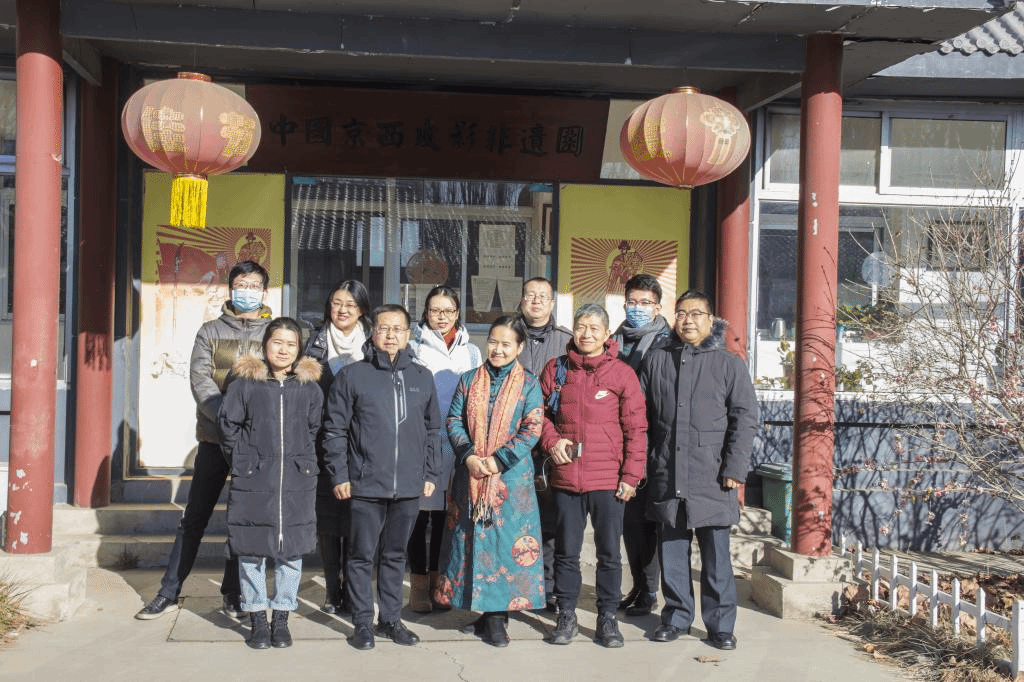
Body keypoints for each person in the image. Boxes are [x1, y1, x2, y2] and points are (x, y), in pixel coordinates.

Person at [135, 260, 272, 621]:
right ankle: (168, 591)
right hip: (213, 438)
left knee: (241, 519)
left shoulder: (274, 332)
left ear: (264, 291)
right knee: (194, 518)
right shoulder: (210, 331)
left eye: (254, 285)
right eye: (241, 284)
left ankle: (233, 592)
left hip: (254, 444)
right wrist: (227, 418)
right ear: (231, 289)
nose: (247, 291)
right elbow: (200, 380)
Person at [638, 290, 758, 651]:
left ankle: (720, 625)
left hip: (713, 474)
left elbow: (745, 419)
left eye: (696, 313)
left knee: (716, 554)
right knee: (672, 551)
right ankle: (676, 617)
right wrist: (643, 464)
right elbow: (640, 418)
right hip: (667, 470)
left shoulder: (729, 364)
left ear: (711, 320)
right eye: (681, 313)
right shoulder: (656, 360)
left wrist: (735, 467)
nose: (688, 320)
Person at [322, 304, 442, 651]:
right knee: (361, 556)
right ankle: (362, 621)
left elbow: (432, 429)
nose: (390, 335)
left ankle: (390, 619)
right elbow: (335, 429)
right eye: (384, 328)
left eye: (398, 329)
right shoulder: (353, 375)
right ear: (372, 332)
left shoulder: (422, 377)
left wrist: (430, 471)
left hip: (408, 485)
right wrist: (339, 474)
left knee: (395, 555)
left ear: (408, 335)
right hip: (365, 484)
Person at [539, 304, 647, 648]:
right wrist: (551, 441)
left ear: (606, 334)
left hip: (608, 479)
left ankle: (607, 618)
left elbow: (636, 429)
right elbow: (537, 415)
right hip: (566, 476)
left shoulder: (622, 374)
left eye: (594, 328)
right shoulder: (556, 369)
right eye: (581, 327)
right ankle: (566, 615)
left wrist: (631, 476)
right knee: (566, 553)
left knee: (609, 554)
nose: (586, 334)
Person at [434, 315, 545, 647]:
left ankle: (497, 618)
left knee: (503, 547)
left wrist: (498, 460)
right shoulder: (469, 380)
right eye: (493, 342)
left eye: (506, 344)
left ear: (520, 347)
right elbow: (454, 420)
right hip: (471, 476)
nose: (497, 349)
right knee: (470, 545)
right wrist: (469, 456)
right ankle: (483, 612)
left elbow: (532, 429)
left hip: (510, 483)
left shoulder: (529, 384)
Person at [219, 317, 323, 650]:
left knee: (291, 552)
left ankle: (281, 617)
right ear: (265, 344)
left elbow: (314, 430)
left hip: (297, 479)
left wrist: (302, 462)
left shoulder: (310, 388)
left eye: (291, 344)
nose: (283, 349)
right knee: (251, 551)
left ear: (299, 349)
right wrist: (243, 461)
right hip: (254, 478)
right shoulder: (245, 384)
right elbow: (228, 426)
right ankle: (257, 619)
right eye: (277, 342)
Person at [406, 285, 482, 613]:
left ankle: (440, 581)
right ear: (425, 313)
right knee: (418, 514)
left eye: (448, 310)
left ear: (458, 313)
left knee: (445, 516)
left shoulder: (472, 351)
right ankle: (418, 583)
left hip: (458, 444)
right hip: (422, 442)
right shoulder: (412, 347)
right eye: (435, 310)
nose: (441, 316)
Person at [303, 279, 373, 616]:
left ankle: (355, 589)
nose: (342, 310)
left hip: (363, 445)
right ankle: (333, 589)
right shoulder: (312, 342)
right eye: (336, 303)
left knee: (358, 520)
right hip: (323, 443)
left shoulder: (373, 343)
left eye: (350, 304)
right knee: (328, 521)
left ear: (362, 309)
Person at [611, 274, 673, 617]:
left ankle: (650, 591)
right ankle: (638, 586)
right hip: (620, 445)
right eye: (632, 302)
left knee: (651, 523)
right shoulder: (614, 341)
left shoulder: (667, 344)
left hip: (654, 446)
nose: (637, 308)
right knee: (630, 524)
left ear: (658, 307)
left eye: (645, 303)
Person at [517, 276, 571, 610]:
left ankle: (548, 588)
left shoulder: (566, 341)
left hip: (551, 444)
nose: (536, 301)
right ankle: (517, 585)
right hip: (514, 443)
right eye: (530, 295)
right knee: (516, 519)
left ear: (552, 303)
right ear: (521, 300)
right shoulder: (509, 335)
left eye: (542, 296)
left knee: (551, 522)